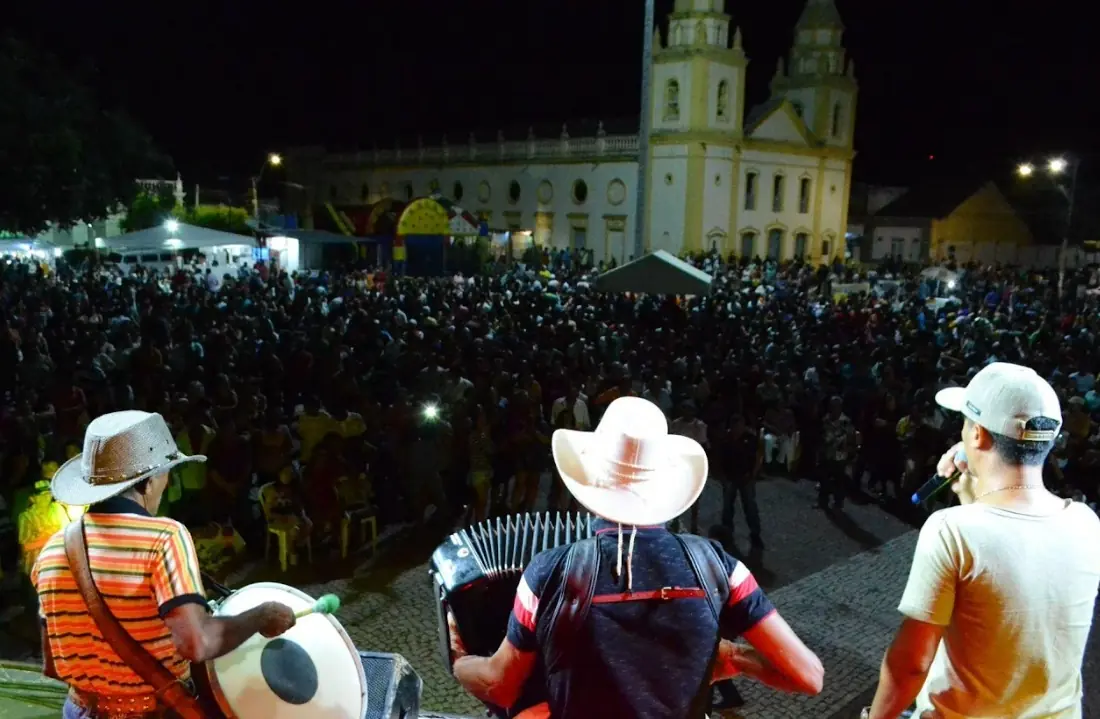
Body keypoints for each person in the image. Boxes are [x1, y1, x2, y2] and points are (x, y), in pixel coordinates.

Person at [449, 397, 823, 718]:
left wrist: (460, 659)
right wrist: (736, 657)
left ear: (587, 485)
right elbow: (808, 676)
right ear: (666, 489)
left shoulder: (548, 572)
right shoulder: (717, 566)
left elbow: (499, 686)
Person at [866, 363, 1100, 719]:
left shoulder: (951, 530)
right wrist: (970, 495)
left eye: (963, 424)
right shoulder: (1087, 522)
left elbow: (912, 663)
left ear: (977, 435)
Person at [31, 411, 297, 719]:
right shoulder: (164, 537)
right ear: (148, 482)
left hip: (78, 709)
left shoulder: (52, 550)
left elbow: (51, 661)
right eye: (166, 474)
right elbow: (197, 644)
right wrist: (261, 616)